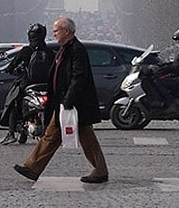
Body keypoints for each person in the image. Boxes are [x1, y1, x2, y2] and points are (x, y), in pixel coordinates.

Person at [13, 16, 108, 184]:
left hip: (73, 103)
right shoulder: (66, 48)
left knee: (84, 137)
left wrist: (68, 100)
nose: (54, 34)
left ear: (66, 31)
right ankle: (32, 168)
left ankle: (100, 171)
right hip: (63, 101)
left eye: (56, 30)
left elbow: (79, 77)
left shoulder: (76, 50)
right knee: (52, 135)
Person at [0, 23, 54, 145]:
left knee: (13, 103)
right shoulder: (49, 52)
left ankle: (11, 133)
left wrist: (11, 69)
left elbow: (12, 66)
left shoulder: (26, 51)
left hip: (28, 83)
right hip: (46, 84)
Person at [142, 29, 179, 108]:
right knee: (156, 79)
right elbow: (175, 63)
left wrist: (164, 70)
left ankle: (170, 104)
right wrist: (160, 66)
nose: (177, 43)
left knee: (158, 82)